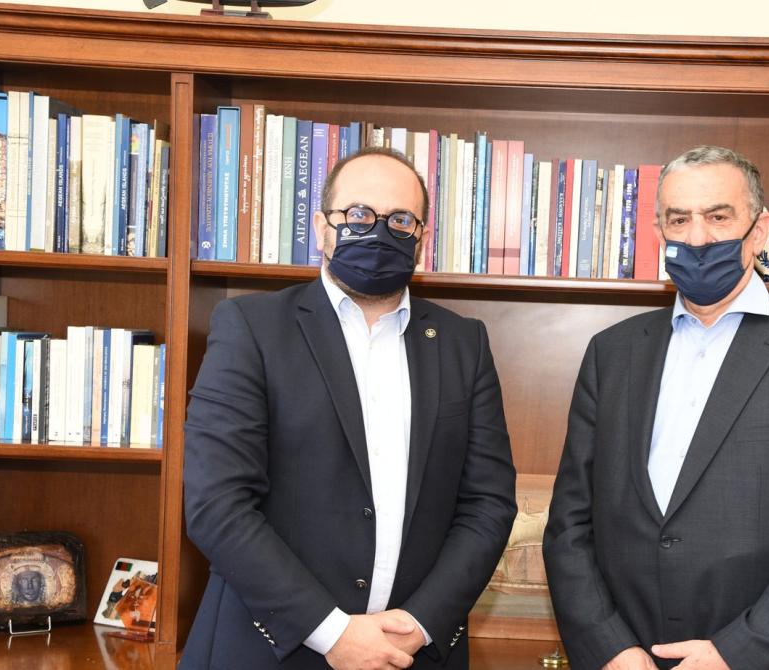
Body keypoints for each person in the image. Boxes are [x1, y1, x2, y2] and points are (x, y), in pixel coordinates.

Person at [543, 145, 769, 670]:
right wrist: (609, 646)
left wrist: (735, 655)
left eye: (718, 217)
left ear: (761, 228)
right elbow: (569, 525)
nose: (698, 238)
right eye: (679, 219)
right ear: (659, 232)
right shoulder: (611, 353)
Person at [181, 147, 517, 670]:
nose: (378, 232)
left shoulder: (463, 344)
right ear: (322, 228)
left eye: (399, 220)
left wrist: (419, 624)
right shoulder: (251, 328)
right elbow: (216, 502)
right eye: (358, 215)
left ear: (422, 239)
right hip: (271, 649)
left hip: (416, 651)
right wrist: (332, 633)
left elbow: (488, 504)